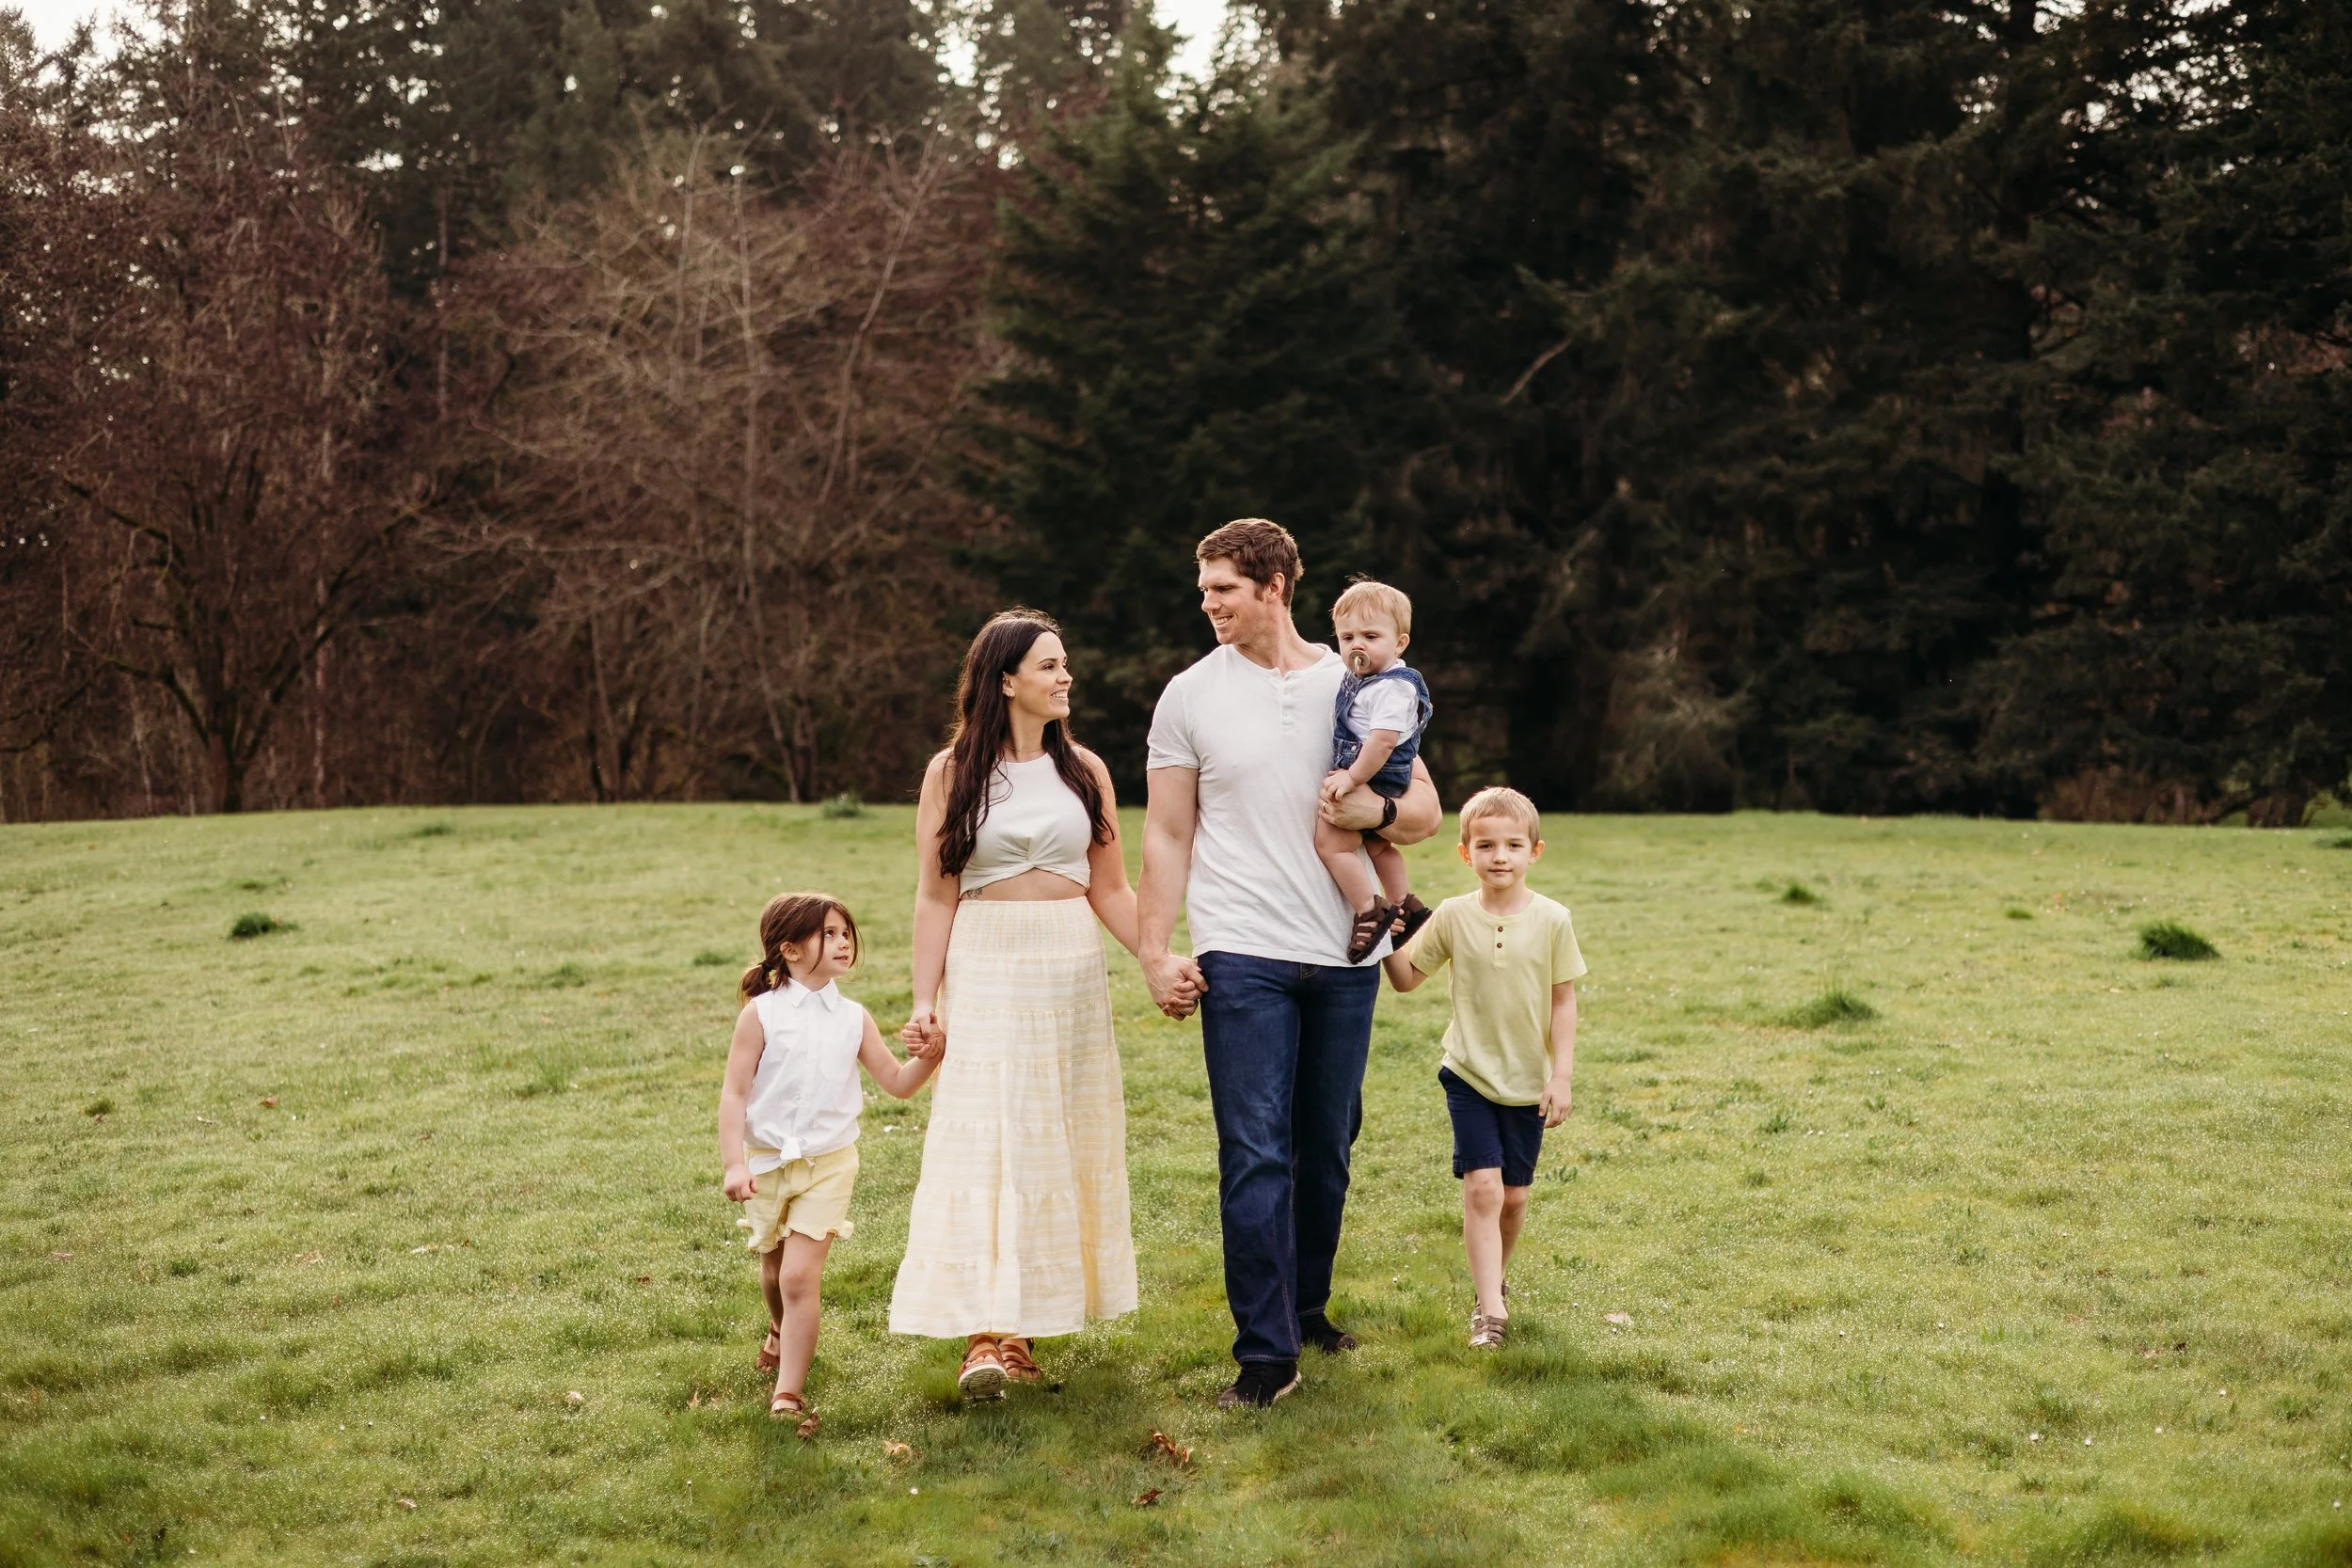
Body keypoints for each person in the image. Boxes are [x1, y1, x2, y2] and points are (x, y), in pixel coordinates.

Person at [1138, 518, 1441, 1409]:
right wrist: (1157, 950)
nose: (1208, 604)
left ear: (1272, 585)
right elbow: (1165, 830)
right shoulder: (1187, 695)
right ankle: (1265, 1357)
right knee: (1255, 1152)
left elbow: (1423, 807)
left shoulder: (1356, 681)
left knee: (1328, 1148)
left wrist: (1366, 814)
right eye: (1203, 590)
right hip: (1241, 950)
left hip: (1347, 952)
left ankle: (1307, 1307)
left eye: (1223, 588)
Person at [889, 610, 1141, 1399]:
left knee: (1050, 1136)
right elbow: (936, 895)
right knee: (987, 1137)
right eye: (1050, 666)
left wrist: (1163, 959)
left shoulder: (1085, 771)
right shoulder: (949, 772)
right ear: (1006, 681)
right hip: (987, 960)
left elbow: (1111, 887)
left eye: (1065, 664)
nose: (1066, 677)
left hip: (1068, 965)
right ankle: (982, 1335)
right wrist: (925, 998)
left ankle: (1025, 1326)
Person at [717, 892, 942, 1433]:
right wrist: (733, 1165)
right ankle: (778, 1329)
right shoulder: (761, 1015)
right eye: (830, 934)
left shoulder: (853, 1018)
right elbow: (734, 1095)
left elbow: (897, 1083)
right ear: (790, 950)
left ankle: (788, 1390)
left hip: (830, 1164)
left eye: (846, 933)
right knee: (772, 1271)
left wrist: (930, 1055)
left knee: (798, 1278)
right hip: (767, 1163)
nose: (843, 943)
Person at [1380, 787, 1582, 1350]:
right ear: (1466, 853)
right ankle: (1490, 1311)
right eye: (1486, 845)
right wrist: (1383, 939)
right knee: (1484, 1189)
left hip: (1527, 1081)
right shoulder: (1452, 916)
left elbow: (1563, 1001)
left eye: (1513, 845)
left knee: (1514, 1198)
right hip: (1468, 1073)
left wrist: (1560, 1075)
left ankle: (1493, 1281)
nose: (1500, 856)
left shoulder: (1552, 920)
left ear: (1534, 852)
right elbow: (1405, 979)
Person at [1314, 579, 1436, 963]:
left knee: (1332, 843)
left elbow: (1382, 742)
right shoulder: (1363, 681)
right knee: (1379, 845)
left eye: (1370, 635)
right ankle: (1405, 903)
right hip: (1375, 771)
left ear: (1399, 643)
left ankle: (1370, 910)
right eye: (1346, 637)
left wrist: (1352, 779)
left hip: (1374, 774)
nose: (1357, 645)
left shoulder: (1393, 688)